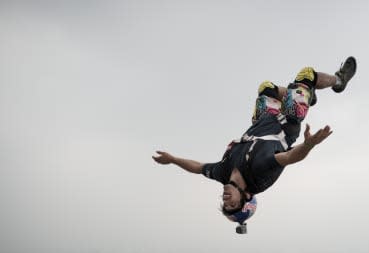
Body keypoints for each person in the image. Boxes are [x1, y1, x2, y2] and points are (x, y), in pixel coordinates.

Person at [153, 57, 357, 233]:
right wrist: (309, 145)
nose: (226, 199)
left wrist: (172, 160)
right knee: (306, 75)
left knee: (266, 88)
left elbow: (197, 168)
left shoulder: (222, 173)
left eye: (224, 204)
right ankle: (338, 80)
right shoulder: (258, 175)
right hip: (287, 120)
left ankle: (307, 95)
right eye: (232, 203)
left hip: (263, 120)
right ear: (246, 197)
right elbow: (288, 158)